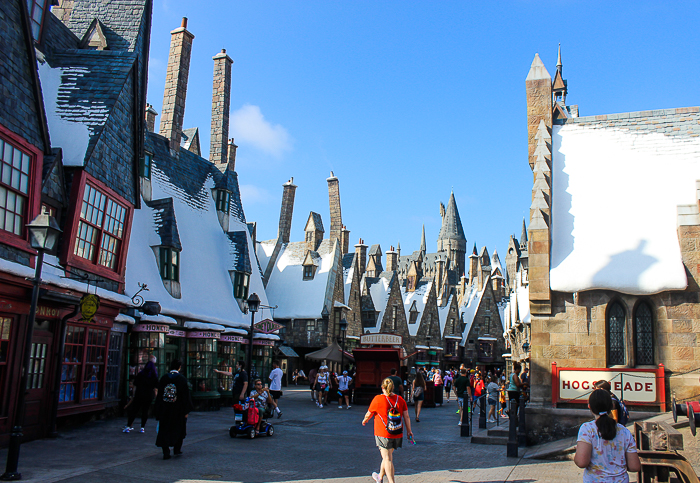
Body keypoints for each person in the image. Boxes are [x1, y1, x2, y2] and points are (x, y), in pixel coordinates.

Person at [574, 389, 640, 482]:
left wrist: (578, 452)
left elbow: (581, 462)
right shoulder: (624, 431)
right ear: (611, 407)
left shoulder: (587, 429)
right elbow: (634, 466)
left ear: (590, 407)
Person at [362, 378, 413, 483]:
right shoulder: (400, 399)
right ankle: (380, 477)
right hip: (397, 433)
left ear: (382, 387)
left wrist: (365, 420)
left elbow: (369, 413)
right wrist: (409, 431)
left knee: (388, 459)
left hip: (383, 433)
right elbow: (406, 416)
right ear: (393, 387)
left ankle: (391, 482)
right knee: (387, 456)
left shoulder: (377, 399)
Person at [154, 360, 193, 460]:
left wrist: (158, 410)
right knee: (178, 429)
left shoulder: (164, 378)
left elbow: (159, 395)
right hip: (178, 410)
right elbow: (185, 397)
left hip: (165, 409)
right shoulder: (182, 379)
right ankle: (177, 449)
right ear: (179, 367)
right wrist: (186, 411)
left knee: (164, 430)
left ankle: (166, 452)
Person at [123, 360, 159, 433]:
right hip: (149, 395)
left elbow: (135, 385)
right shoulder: (154, 376)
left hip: (139, 394)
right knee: (145, 411)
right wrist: (156, 397)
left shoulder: (140, 374)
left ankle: (128, 426)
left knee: (134, 410)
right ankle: (142, 427)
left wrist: (133, 395)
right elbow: (155, 388)